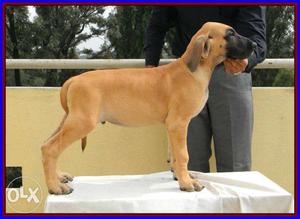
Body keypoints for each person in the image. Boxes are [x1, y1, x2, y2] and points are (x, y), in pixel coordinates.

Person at [144, 6, 267, 172]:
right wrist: (150, 69)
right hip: (184, 75)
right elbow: (158, 24)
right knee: (188, 167)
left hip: (231, 71)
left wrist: (247, 60)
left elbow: (255, 33)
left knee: (235, 167)